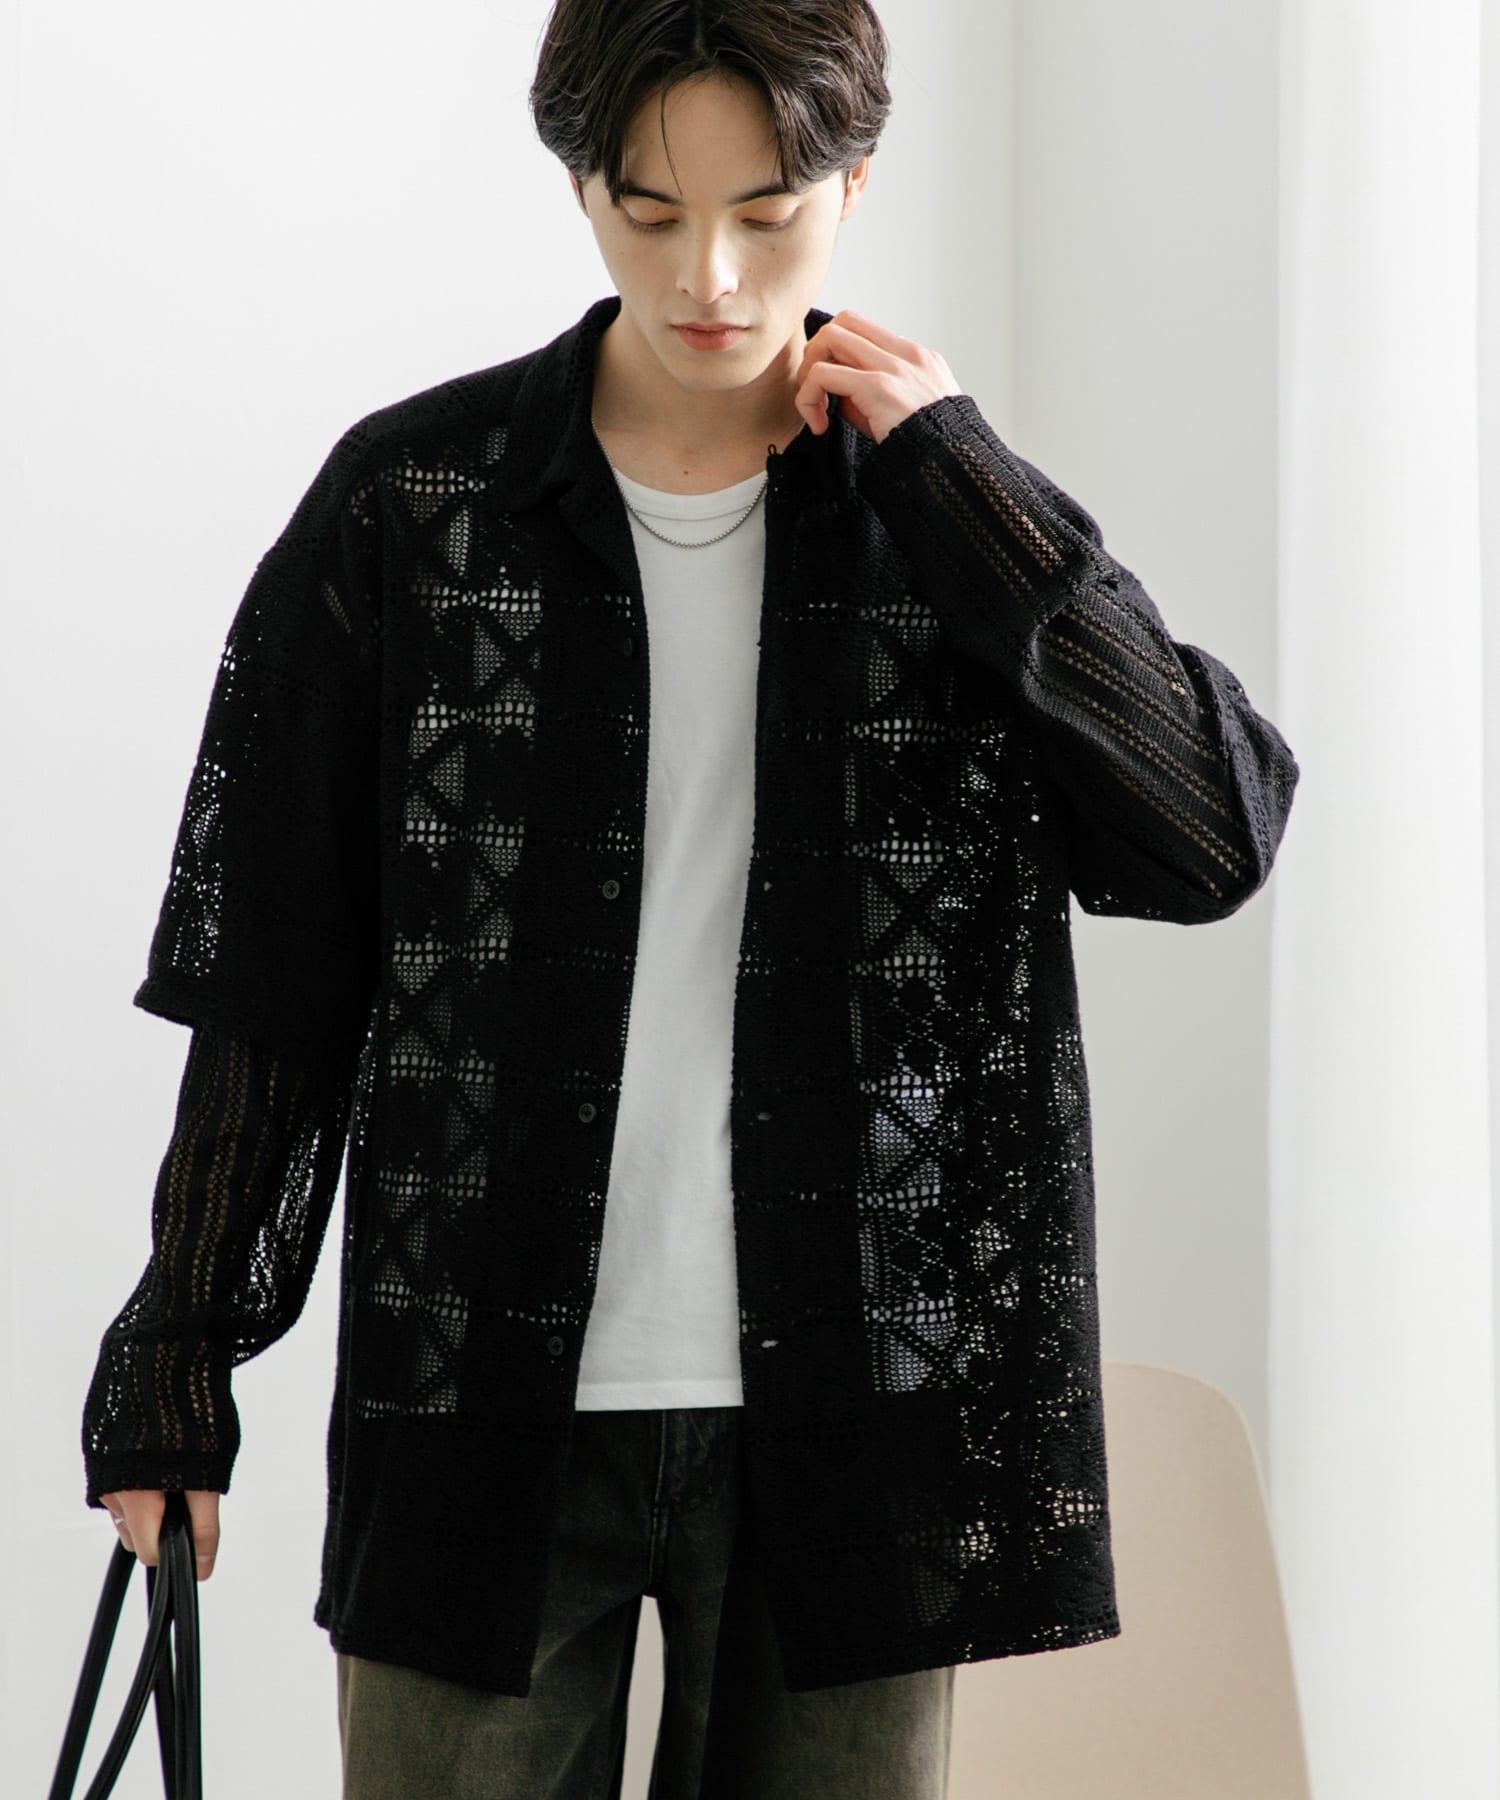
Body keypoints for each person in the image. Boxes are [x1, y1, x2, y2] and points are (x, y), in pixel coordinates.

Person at [82, 2, 1300, 1795]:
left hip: (858, 1408)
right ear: (582, 185)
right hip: (481, 1393)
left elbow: (1210, 832)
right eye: (649, 212)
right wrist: (179, 1362)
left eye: (769, 213)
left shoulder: (938, 526)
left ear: (855, 184)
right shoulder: (415, 507)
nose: (709, 277)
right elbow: (275, 966)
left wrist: (965, 476)